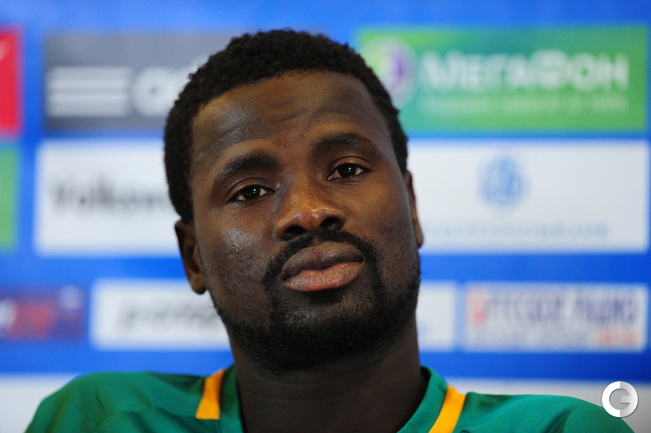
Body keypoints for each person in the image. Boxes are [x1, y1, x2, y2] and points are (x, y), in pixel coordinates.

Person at [27, 29, 632, 433]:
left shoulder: (562, 430)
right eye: (250, 191)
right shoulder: (97, 419)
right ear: (194, 258)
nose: (309, 212)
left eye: (346, 169)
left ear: (412, 206)